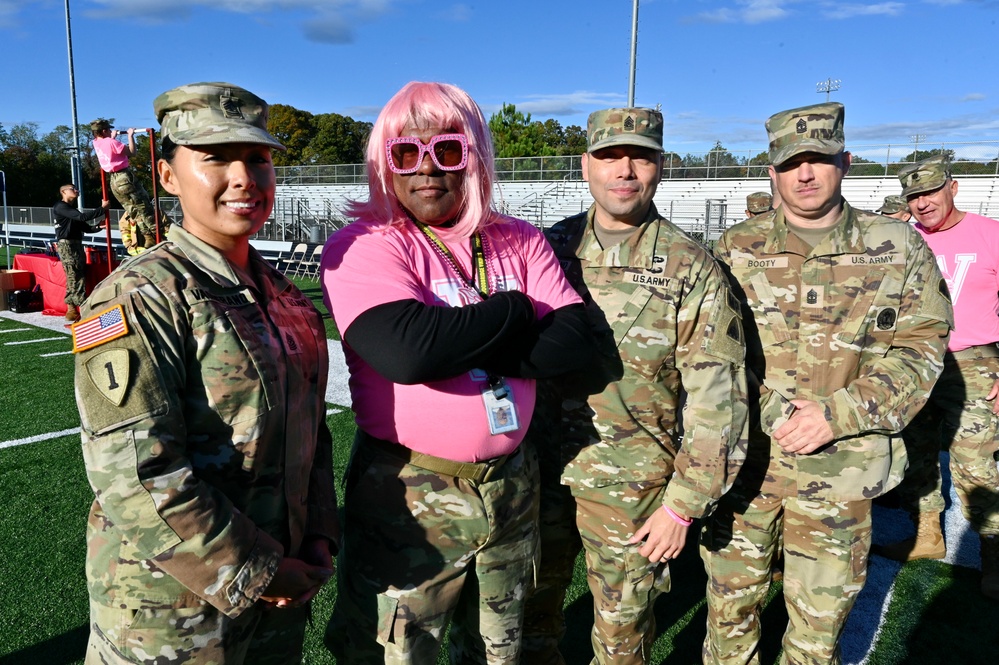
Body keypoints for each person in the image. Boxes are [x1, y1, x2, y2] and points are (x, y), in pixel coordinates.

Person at [320, 81, 595, 664]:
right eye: (405, 153)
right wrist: (516, 312)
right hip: (410, 489)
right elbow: (406, 354)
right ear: (383, 164)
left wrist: (460, 340)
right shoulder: (364, 243)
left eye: (446, 150)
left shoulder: (516, 237)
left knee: (500, 648)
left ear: (474, 158)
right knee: (395, 652)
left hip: (512, 482)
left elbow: (576, 342)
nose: (427, 169)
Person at [74, 82, 338, 665]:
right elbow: (135, 476)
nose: (244, 177)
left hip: (280, 599)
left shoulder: (289, 299)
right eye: (216, 158)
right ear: (168, 177)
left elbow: (313, 437)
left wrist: (317, 534)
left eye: (259, 158)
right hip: (171, 619)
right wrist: (260, 569)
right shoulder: (137, 297)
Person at [702, 102, 953, 664]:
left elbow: (922, 347)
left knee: (817, 632)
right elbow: (713, 353)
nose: (806, 174)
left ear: (845, 161)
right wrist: (771, 413)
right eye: (792, 163)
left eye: (819, 159)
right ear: (772, 171)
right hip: (748, 468)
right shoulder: (734, 249)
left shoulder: (897, 245)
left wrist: (835, 415)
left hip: (841, 472)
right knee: (729, 618)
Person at [521, 107, 748, 664]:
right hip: (538, 471)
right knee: (526, 618)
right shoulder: (546, 247)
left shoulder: (690, 266)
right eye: (609, 155)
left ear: (660, 167)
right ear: (585, 166)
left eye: (640, 156)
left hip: (632, 487)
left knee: (621, 638)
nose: (624, 169)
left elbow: (720, 397)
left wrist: (683, 506)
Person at [873, 156, 999, 599]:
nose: (923, 203)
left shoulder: (991, 234)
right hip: (912, 362)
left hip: (974, 362)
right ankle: (927, 534)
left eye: (929, 192)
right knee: (916, 454)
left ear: (954, 187)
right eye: (914, 196)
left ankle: (994, 558)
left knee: (975, 462)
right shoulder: (904, 240)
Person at [90, 118, 158, 248]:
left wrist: (113, 137)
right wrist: (130, 136)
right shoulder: (111, 142)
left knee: (132, 210)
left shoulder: (96, 143)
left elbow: (108, 145)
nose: (111, 131)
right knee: (144, 205)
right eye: (109, 130)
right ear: (104, 131)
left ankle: (148, 236)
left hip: (113, 181)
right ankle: (157, 233)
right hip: (124, 176)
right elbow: (132, 152)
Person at [52, 184, 109, 322]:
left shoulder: (71, 210)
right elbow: (82, 217)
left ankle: (72, 309)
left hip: (76, 245)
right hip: (68, 246)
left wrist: (97, 227)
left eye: (77, 188)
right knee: (75, 275)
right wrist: (102, 209)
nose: (77, 190)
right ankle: (81, 308)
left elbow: (85, 227)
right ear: (64, 192)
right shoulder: (61, 206)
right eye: (73, 189)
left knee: (77, 275)